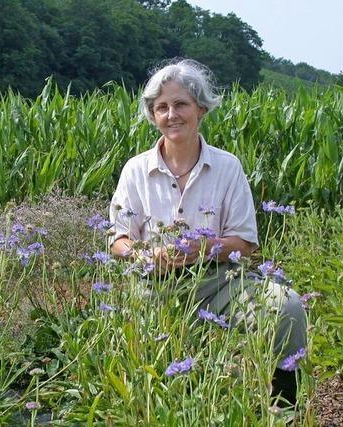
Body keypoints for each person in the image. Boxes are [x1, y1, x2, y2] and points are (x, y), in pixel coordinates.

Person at [108, 58, 307, 406]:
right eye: (162, 107)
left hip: (222, 282)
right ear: (153, 115)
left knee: (288, 308)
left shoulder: (227, 166)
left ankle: (283, 406)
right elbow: (118, 240)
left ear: (201, 109)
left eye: (181, 104)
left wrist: (204, 248)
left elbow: (245, 243)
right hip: (155, 285)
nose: (172, 115)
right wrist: (145, 255)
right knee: (158, 355)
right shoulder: (136, 170)